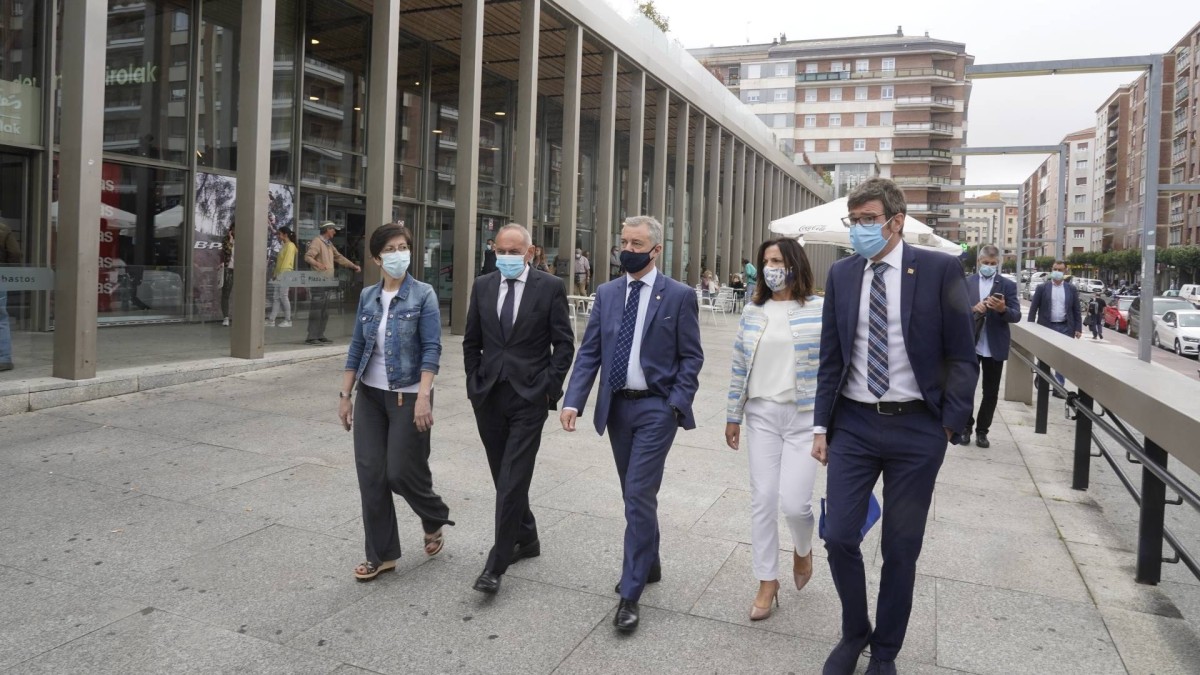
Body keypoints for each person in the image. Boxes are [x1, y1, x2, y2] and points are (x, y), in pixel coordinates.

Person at [811, 178, 977, 675]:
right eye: (854, 220)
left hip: (917, 429)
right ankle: (854, 630)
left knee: (901, 547)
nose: (859, 229)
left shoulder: (939, 269)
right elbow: (830, 356)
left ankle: (885, 652)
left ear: (896, 221)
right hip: (854, 424)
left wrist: (948, 425)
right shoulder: (842, 274)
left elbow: (962, 355)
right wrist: (820, 426)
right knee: (840, 535)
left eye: (868, 219)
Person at [561, 215, 704, 634]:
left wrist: (676, 404)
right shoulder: (607, 293)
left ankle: (630, 591)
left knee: (639, 493)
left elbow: (692, 357)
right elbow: (590, 352)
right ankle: (650, 561)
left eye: (637, 244)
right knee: (633, 493)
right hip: (617, 409)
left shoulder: (678, 295)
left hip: (657, 409)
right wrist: (573, 400)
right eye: (623, 242)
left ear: (656, 250)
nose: (627, 250)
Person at [463, 223, 575, 595]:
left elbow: (564, 344)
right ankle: (527, 536)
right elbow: (471, 341)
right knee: (503, 475)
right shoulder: (482, 286)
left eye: (514, 252)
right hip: (489, 395)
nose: (506, 257)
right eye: (501, 251)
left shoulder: (550, 287)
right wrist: (474, 384)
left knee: (513, 478)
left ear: (530, 253)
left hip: (529, 396)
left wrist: (548, 389)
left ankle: (496, 564)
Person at [338, 223, 454, 582]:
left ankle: (433, 514)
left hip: (409, 394)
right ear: (377, 259)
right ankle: (381, 555)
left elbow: (432, 347)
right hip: (370, 396)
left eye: (403, 247)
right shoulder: (368, 296)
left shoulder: (423, 294)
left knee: (401, 471)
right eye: (390, 249)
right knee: (371, 475)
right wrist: (345, 395)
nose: (398, 254)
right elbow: (357, 346)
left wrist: (424, 396)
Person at [725, 238, 822, 622]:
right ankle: (767, 580)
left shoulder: (819, 310)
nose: (770, 268)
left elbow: (833, 367)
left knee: (796, 505)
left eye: (778, 260)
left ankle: (803, 549)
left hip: (805, 418)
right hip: (762, 415)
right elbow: (739, 365)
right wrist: (733, 415)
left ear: (795, 265)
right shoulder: (753, 311)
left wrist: (829, 425)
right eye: (766, 261)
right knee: (763, 499)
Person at [962, 245, 1020, 449]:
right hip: (971, 344)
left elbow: (1016, 315)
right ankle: (966, 427)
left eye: (993, 264)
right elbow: (954, 310)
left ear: (998, 264)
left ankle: (982, 431)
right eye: (986, 263)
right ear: (979, 262)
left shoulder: (1007, 285)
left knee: (991, 392)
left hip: (994, 345)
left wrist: (1003, 309)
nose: (989, 266)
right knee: (966, 389)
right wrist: (972, 309)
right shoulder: (967, 282)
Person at [1027, 260, 1081, 396]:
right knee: (1044, 356)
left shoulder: (1071, 289)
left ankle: (1058, 388)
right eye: (1055, 269)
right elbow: (1033, 308)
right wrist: (1030, 326)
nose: (1057, 272)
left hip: (1065, 327)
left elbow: (1076, 310)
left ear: (1065, 271)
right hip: (1046, 326)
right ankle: (1042, 379)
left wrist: (1078, 328)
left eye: (1060, 270)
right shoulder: (1042, 288)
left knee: (1061, 359)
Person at [305, 221, 361, 345]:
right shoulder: (317, 241)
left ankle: (320, 335)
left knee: (325, 310)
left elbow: (339, 257)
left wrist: (353, 266)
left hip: (327, 282)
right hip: (318, 281)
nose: (335, 232)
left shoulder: (329, 244)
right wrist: (318, 264)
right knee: (317, 309)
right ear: (327, 230)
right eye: (333, 229)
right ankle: (312, 336)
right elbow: (308, 257)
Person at [266, 226, 297, 328]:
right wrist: (275, 274)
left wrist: (280, 275)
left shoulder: (290, 246)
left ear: (285, 235)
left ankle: (288, 320)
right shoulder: (284, 245)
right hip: (280, 274)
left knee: (283, 296)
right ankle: (271, 320)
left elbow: (286, 262)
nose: (278, 236)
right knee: (276, 297)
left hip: (285, 273)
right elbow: (279, 262)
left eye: (280, 234)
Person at [0, 220, 19, 372]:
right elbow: (15, 253)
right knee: (1, 319)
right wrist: (9, 272)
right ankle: (3, 359)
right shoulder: (3, 228)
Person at [220, 223, 235, 326]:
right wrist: (231, 240)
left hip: (242, 270)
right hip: (229, 269)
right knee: (225, 294)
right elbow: (227, 251)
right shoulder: (226, 239)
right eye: (234, 229)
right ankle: (226, 317)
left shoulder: (245, 240)